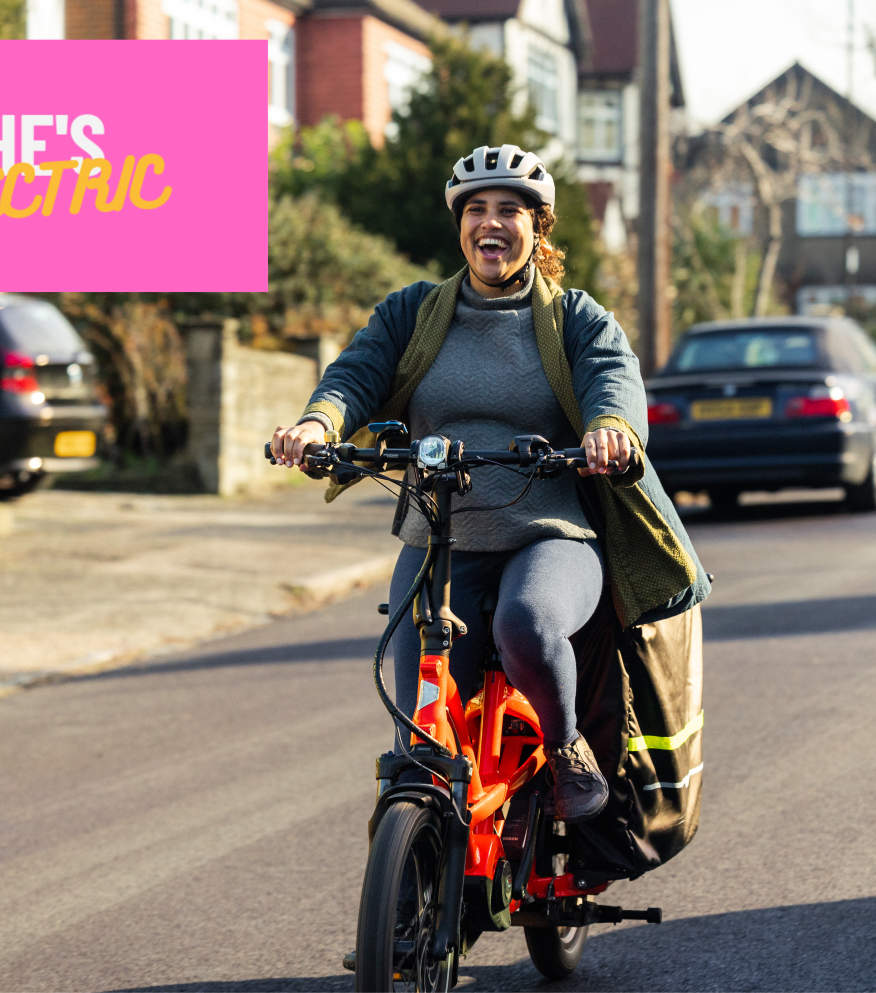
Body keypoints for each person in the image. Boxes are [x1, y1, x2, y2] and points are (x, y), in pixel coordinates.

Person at [272, 144, 709, 823]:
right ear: (461, 226)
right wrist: (317, 424)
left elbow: (612, 383)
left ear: (539, 228)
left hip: (551, 531)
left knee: (526, 626)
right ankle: (417, 866)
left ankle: (566, 751)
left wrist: (611, 430)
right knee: (421, 709)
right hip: (442, 535)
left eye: (510, 209)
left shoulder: (576, 319)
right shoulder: (412, 313)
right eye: (477, 209)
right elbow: (354, 375)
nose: (491, 222)